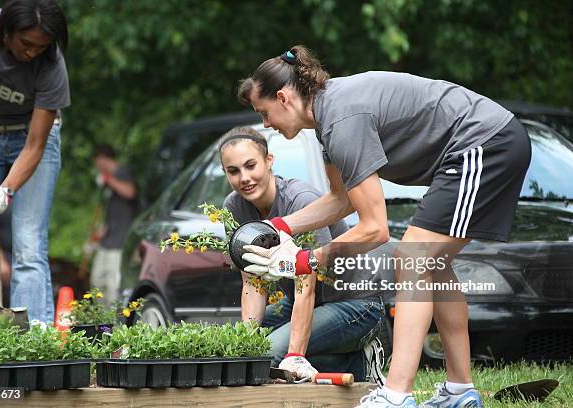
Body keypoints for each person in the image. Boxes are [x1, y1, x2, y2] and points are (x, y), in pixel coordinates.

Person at [238, 46, 531, 408]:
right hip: (484, 143)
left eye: (263, 113)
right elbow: (341, 198)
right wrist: (279, 225)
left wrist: (309, 259)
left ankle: (396, 395)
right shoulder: (329, 122)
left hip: (484, 142)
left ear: (282, 97)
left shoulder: (342, 120)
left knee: (412, 259)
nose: (265, 124)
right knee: (431, 265)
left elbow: (374, 228)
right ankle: (460, 392)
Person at [219, 126, 386, 383]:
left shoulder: (300, 200)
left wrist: (295, 353)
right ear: (225, 173)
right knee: (237, 349)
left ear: (269, 161)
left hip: (353, 303)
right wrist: (248, 339)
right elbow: (252, 282)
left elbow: (306, 281)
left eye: (251, 165)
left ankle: (362, 362)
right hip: (301, 302)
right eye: (234, 171)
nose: (244, 177)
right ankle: (350, 359)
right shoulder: (234, 206)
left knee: (269, 352)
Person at [0, 0, 69, 336]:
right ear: (7, 34)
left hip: (32, 141)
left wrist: (5, 191)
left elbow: (36, 144)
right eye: (26, 43)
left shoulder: (52, 66)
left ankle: (34, 339)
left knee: (29, 244)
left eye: (41, 45)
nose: (33, 52)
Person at [89, 144, 138, 306]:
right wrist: (98, 235)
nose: (97, 168)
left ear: (102, 159)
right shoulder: (109, 184)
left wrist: (109, 179)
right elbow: (112, 215)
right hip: (107, 242)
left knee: (113, 288)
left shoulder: (123, 173)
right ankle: (103, 325)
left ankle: (115, 326)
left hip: (120, 243)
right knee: (97, 282)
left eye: (97, 163)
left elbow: (130, 192)